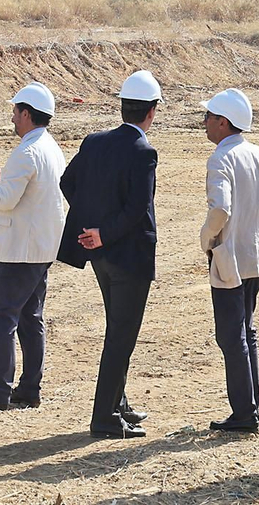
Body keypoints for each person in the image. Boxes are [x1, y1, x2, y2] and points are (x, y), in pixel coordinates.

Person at [58, 69, 161, 439]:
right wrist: (104, 232)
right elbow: (137, 209)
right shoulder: (143, 151)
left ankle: (118, 404)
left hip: (101, 255)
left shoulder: (94, 141)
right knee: (121, 336)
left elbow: (68, 183)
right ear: (151, 111)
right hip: (128, 256)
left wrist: (93, 227)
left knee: (118, 330)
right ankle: (104, 418)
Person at [0, 82, 66, 412]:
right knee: (31, 318)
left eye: (15, 112)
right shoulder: (50, 146)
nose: (12, 119)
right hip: (42, 246)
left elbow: (5, 200)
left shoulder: (27, 151)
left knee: (2, 318)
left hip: (22, 249)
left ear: (26, 113)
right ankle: (28, 387)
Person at [198, 88, 259, 434]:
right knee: (246, 330)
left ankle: (244, 413)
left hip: (230, 254)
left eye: (209, 117)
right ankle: (251, 405)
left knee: (232, 336)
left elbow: (220, 208)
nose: (204, 123)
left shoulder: (221, 158)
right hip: (258, 253)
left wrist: (208, 240)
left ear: (223, 122)